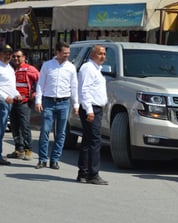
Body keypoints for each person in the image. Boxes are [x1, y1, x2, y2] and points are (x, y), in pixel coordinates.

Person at [35, 41, 79, 170]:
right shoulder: (47, 65)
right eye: (64, 53)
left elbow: (74, 86)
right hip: (48, 101)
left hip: (64, 102)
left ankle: (54, 159)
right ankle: (42, 159)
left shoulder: (71, 67)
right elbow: (40, 83)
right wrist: (38, 100)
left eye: (68, 53)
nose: (67, 55)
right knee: (45, 131)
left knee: (61, 133)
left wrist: (76, 104)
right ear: (57, 52)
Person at [76, 45, 108, 185]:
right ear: (92, 55)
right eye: (100, 53)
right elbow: (84, 90)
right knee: (95, 141)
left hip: (95, 108)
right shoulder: (88, 68)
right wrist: (89, 110)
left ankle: (84, 173)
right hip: (91, 109)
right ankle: (92, 174)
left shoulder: (96, 69)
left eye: (104, 54)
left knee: (88, 141)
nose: (103, 56)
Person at [6, 49, 40, 161]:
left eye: (18, 56)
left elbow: (40, 82)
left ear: (24, 57)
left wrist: (34, 94)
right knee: (14, 127)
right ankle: (18, 150)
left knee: (25, 127)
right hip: (11, 102)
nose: (16, 58)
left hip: (24, 103)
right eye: (14, 56)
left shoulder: (30, 69)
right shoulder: (9, 69)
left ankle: (28, 150)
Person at [0, 44, 22, 165]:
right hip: (1, 101)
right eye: (5, 53)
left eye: (9, 53)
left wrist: (16, 94)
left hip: (9, 102)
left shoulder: (9, 68)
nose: (8, 55)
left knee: (2, 130)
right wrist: (5, 96)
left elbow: (11, 86)